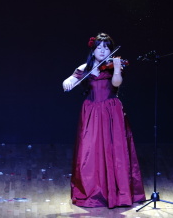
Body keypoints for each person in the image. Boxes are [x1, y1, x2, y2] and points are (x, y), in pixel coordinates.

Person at [62, 33, 145, 208]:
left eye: (106, 48)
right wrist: (67, 82)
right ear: (93, 51)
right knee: (90, 151)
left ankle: (118, 194)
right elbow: (69, 80)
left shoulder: (113, 66)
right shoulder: (85, 67)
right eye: (99, 47)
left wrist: (117, 69)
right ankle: (93, 191)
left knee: (115, 150)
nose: (102, 50)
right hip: (91, 111)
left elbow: (116, 83)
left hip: (111, 111)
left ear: (110, 50)